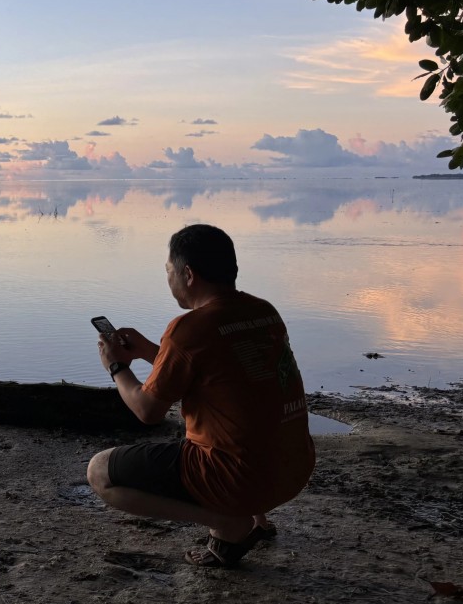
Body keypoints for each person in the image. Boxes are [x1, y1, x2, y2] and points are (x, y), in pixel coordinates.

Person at [86, 224, 314, 568]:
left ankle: (228, 523)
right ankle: (258, 519)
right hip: (293, 471)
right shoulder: (263, 311)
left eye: (168, 271)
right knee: (242, 417)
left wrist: (117, 368)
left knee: (100, 472)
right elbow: (216, 374)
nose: (168, 278)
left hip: (242, 480)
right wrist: (150, 351)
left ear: (188, 274)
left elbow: (148, 411)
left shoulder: (189, 328)